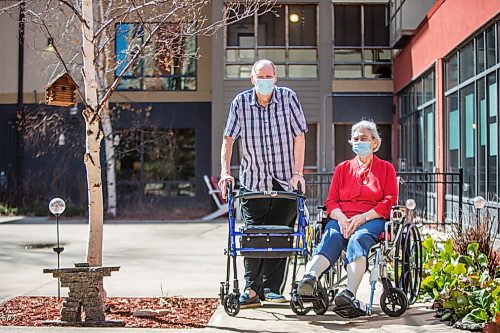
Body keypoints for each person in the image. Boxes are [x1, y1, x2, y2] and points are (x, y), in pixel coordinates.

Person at [218, 59, 308, 308]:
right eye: (261, 76)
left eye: (269, 76)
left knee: (281, 235)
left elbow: (299, 136)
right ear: (252, 79)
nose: (265, 80)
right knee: (252, 236)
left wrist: (298, 172)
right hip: (253, 181)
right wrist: (226, 172)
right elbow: (228, 140)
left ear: (276, 79)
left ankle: (272, 288)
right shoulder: (240, 103)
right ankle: (251, 289)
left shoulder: (288, 99)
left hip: (284, 181)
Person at [297, 119, 397, 318]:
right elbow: (331, 201)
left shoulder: (386, 169)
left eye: (365, 138)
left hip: (372, 218)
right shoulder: (343, 168)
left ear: (375, 143)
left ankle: (348, 293)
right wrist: (342, 219)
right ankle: (310, 279)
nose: (360, 142)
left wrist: (362, 218)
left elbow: (389, 201)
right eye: (356, 138)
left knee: (357, 239)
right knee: (332, 236)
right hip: (342, 218)